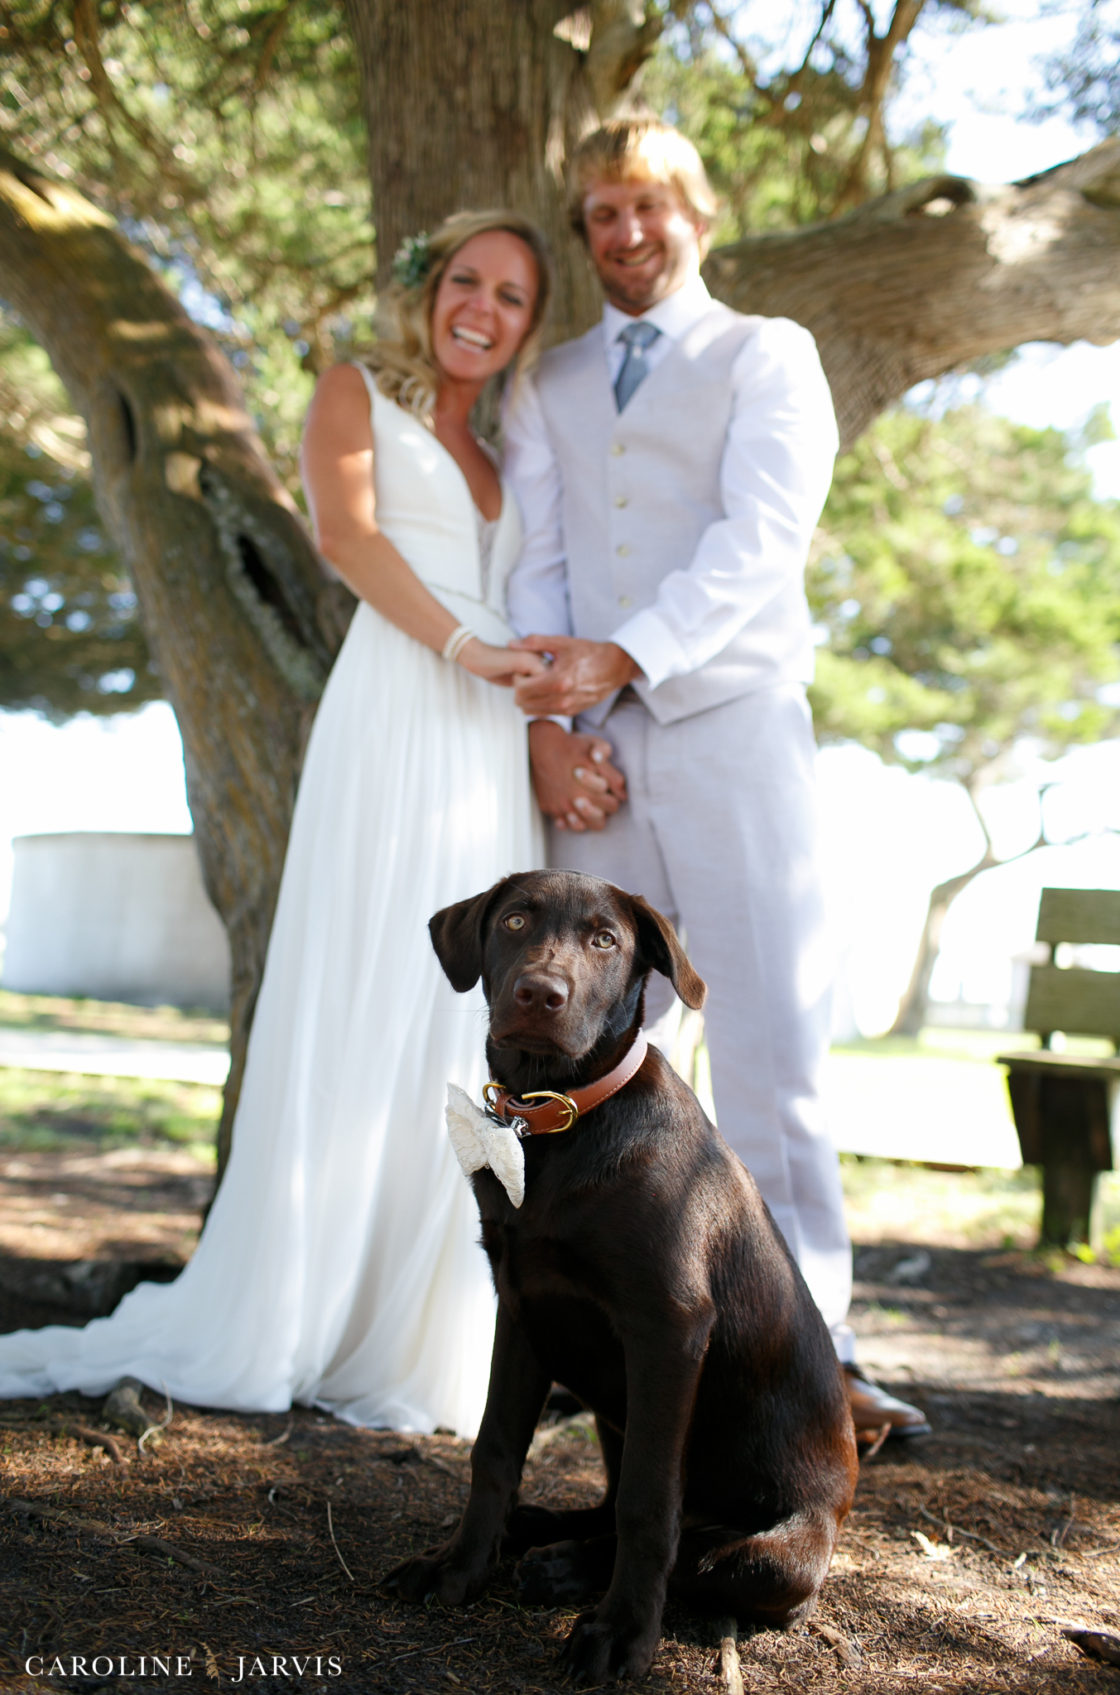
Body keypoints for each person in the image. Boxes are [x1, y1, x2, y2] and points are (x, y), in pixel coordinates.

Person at [0, 209, 604, 1438]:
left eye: (510, 297)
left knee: (453, 1019)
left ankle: (428, 1325)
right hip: (395, 706)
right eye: (465, 282)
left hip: (483, 740)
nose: (480, 308)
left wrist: (533, 716)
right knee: (367, 983)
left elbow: (521, 599)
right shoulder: (353, 391)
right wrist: (472, 650)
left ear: (528, 326)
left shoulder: (500, 451)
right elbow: (346, 538)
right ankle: (303, 1300)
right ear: (428, 289)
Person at [503, 118, 928, 1445]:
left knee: (767, 1042)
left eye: (643, 206)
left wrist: (630, 652)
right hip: (599, 753)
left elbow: (761, 539)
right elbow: (540, 556)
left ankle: (820, 1355)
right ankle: (614, 1337)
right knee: (604, 1051)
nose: (621, 234)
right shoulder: (549, 377)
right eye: (597, 214)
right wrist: (554, 717)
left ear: (698, 210)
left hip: (733, 723)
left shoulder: (767, 354)